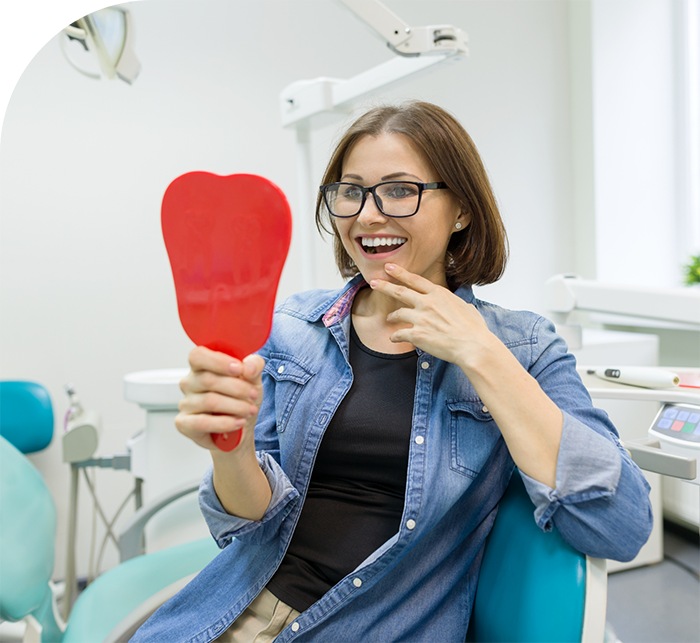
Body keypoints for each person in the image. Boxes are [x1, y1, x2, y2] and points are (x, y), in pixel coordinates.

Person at [131, 101, 652, 643]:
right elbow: (247, 525)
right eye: (350, 191)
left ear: (462, 210)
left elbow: (620, 524)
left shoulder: (524, 347)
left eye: (401, 190)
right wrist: (229, 449)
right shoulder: (290, 329)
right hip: (230, 613)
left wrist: (481, 352)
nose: (368, 215)